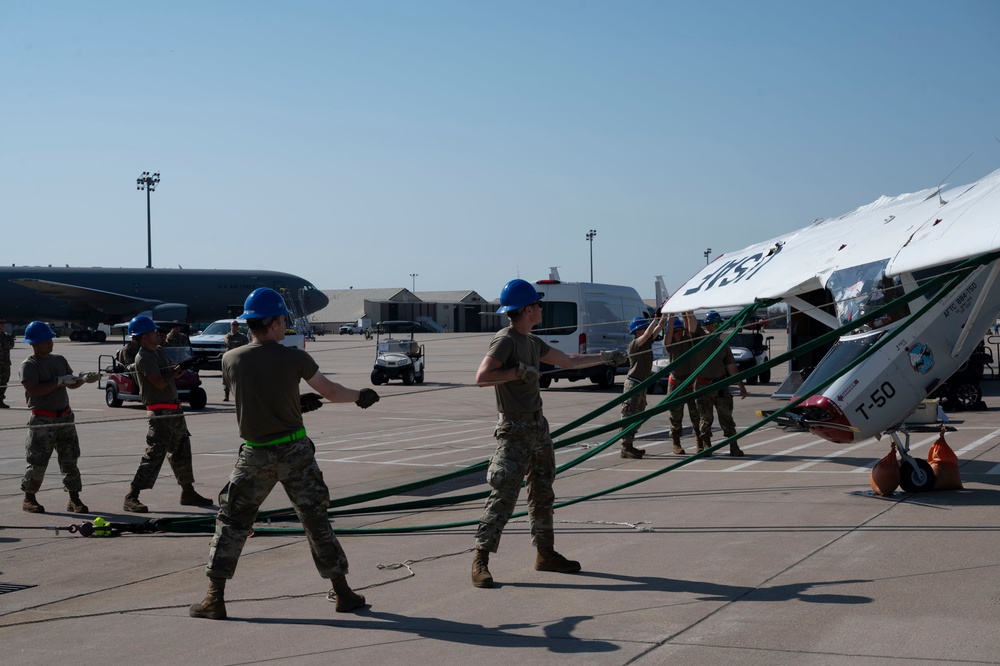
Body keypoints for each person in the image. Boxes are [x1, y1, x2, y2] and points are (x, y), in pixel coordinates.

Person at [189, 288, 378, 620]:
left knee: (232, 522)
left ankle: (213, 598)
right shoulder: (295, 358)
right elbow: (331, 391)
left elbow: (251, 397)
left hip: (255, 454)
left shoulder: (231, 358)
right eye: (283, 322)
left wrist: (291, 401)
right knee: (315, 520)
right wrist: (360, 396)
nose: (285, 327)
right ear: (275, 322)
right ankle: (343, 593)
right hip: (295, 452)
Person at [470, 278, 627, 589]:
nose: (541, 308)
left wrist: (607, 356)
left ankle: (545, 554)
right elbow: (482, 376)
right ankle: (480, 560)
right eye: (538, 305)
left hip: (538, 428)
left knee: (543, 492)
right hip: (514, 429)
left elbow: (567, 360)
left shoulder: (531, 341)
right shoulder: (506, 340)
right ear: (528, 309)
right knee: (503, 493)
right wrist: (516, 372)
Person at [122, 315, 213, 513]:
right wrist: (178, 370)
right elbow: (160, 382)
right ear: (143, 337)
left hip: (174, 410)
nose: (158, 334)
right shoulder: (143, 357)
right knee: (154, 455)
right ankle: (132, 496)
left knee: (182, 452)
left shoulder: (159, 351)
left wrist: (187, 365)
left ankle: (187, 491)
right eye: (154, 332)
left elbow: (173, 372)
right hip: (160, 413)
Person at [18, 321, 99, 513]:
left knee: (70, 459)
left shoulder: (59, 360)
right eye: (45, 340)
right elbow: (34, 390)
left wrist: (84, 379)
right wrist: (57, 382)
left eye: (50, 339)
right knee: (37, 461)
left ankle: (74, 498)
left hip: (64, 417)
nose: (49, 343)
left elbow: (71, 383)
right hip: (42, 420)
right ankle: (29, 498)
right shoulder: (29, 365)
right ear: (34, 343)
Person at [692, 311, 748, 457]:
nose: (719, 327)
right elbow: (691, 323)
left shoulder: (723, 345)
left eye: (720, 324)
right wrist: (688, 310)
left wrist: (741, 386)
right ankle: (706, 446)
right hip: (703, 386)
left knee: (727, 417)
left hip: (721, 386)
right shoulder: (699, 339)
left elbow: (731, 367)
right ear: (708, 326)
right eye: (716, 324)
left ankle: (733, 446)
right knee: (706, 418)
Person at [618, 313, 669, 458]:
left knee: (639, 414)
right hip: (633, 383)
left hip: (642, 384)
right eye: (643, 328)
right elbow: (648, 334)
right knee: (629, 413)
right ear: (637, 331)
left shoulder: (646, 343)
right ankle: (625, 446)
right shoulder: (634, 344)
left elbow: (658, 328)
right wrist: (654, 319)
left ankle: (630, 443)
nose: (646, 329)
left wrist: (664, 317)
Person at [664, 314, 706, 455]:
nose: (678, 333)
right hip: (676, 382)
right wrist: (670, 315)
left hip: (691, 381)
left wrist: (686, 313)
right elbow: (669, 330)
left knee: (696, 414)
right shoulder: (670, 345)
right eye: (676, 331)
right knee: (675, 415)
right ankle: (676, 443)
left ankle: (699, 442)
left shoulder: (688, 340)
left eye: (680, 331)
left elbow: (690, 325)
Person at [221, 320, 248, 401]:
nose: (235, 326)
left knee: (240, 376)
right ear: (230, 326)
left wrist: (237, 343)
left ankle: (240, 394)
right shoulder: (227, 336)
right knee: (226, 376)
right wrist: (239, 343)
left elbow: (246, 344)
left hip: (240, 357)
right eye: (234, 324)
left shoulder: (243, 336)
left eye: (237, 325)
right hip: (229, 358)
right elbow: (229, 343)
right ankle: (226, 395)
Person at [0, 315, 16, 408]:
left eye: (3, 323)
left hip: (5, 364)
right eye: (1, 323)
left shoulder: (7, 336)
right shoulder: (7, 337)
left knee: (4, 382)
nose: (2, 325)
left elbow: (11, 345)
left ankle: (0, 400)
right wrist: (4, 344)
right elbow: (7, 345)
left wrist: (2, 344)